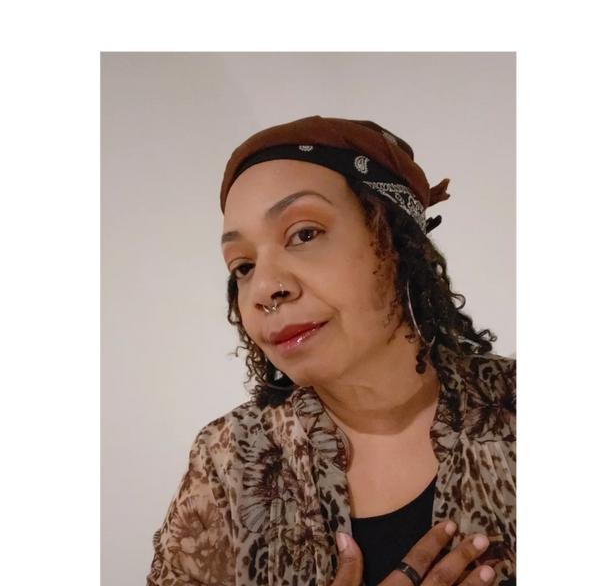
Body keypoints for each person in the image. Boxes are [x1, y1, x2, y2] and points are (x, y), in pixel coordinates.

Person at [147, 116, 518, 586]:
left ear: (396, 241)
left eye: (304, 233)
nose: (264, 288)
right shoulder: (229, 464)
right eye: (242, 266)